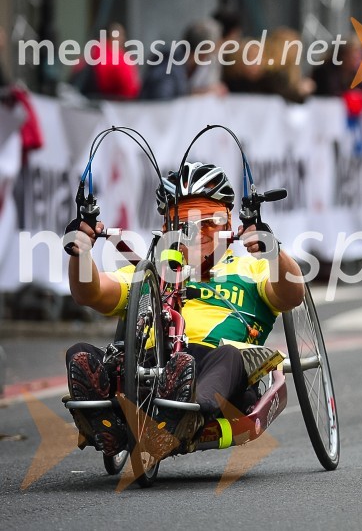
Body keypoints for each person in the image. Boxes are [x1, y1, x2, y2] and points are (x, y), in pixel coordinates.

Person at [64, 161, 305, 457]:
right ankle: (108, 424)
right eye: (184, 223)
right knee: (81, 353)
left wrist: (273, 251)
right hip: (148, 367)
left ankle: (184, 416)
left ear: (228, 225)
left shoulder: (251, 269)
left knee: (228, 356)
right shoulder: (151, 275)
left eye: (209, 221)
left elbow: (292, 295)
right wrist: (80, 252)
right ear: (167, 229)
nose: (197, 232)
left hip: (216, 370)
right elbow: (90, 293)